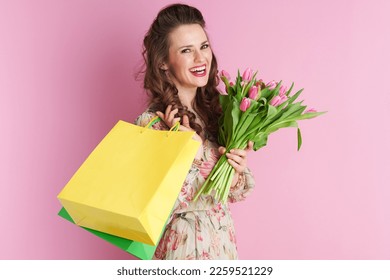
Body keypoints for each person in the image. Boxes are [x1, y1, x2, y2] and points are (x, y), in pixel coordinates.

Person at [135, 3, 255, 260]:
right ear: (164, 63)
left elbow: (233, 193)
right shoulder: (153, 124)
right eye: (186, 51)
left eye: (203, 46)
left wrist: (237, 169)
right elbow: (154, 206)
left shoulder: (219, 115)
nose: (201, 59)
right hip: (183, 250)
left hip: (222, 246)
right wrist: (195, 153)